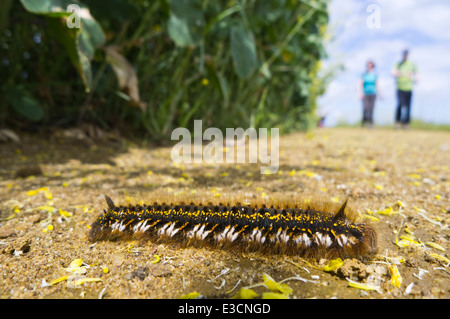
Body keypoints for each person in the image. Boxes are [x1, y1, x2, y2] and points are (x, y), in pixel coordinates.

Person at [392, 49, 417, 129]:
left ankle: (406, 123)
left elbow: (416, 75)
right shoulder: (398, 64)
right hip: (400, 87)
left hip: (409, 88)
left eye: (406, 54)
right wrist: (405, 74)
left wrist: (414, 78)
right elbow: (393, 73)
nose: (405, 56)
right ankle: (398, 122)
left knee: (408, 106)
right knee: (400, 104)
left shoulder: (412, 64)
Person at [358, 60, 380, 128]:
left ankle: (370, 123)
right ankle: (364, 121)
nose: (369, 67)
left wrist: (380, 93)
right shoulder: (364, 75)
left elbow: (377, 84)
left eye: (371, 66)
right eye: (368, 65)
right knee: (365, 108)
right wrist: (360, 93)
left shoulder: (374, 75)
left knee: (371, 109)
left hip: (373, 93)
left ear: (373, 67)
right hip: (365, 94)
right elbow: (360, 84)